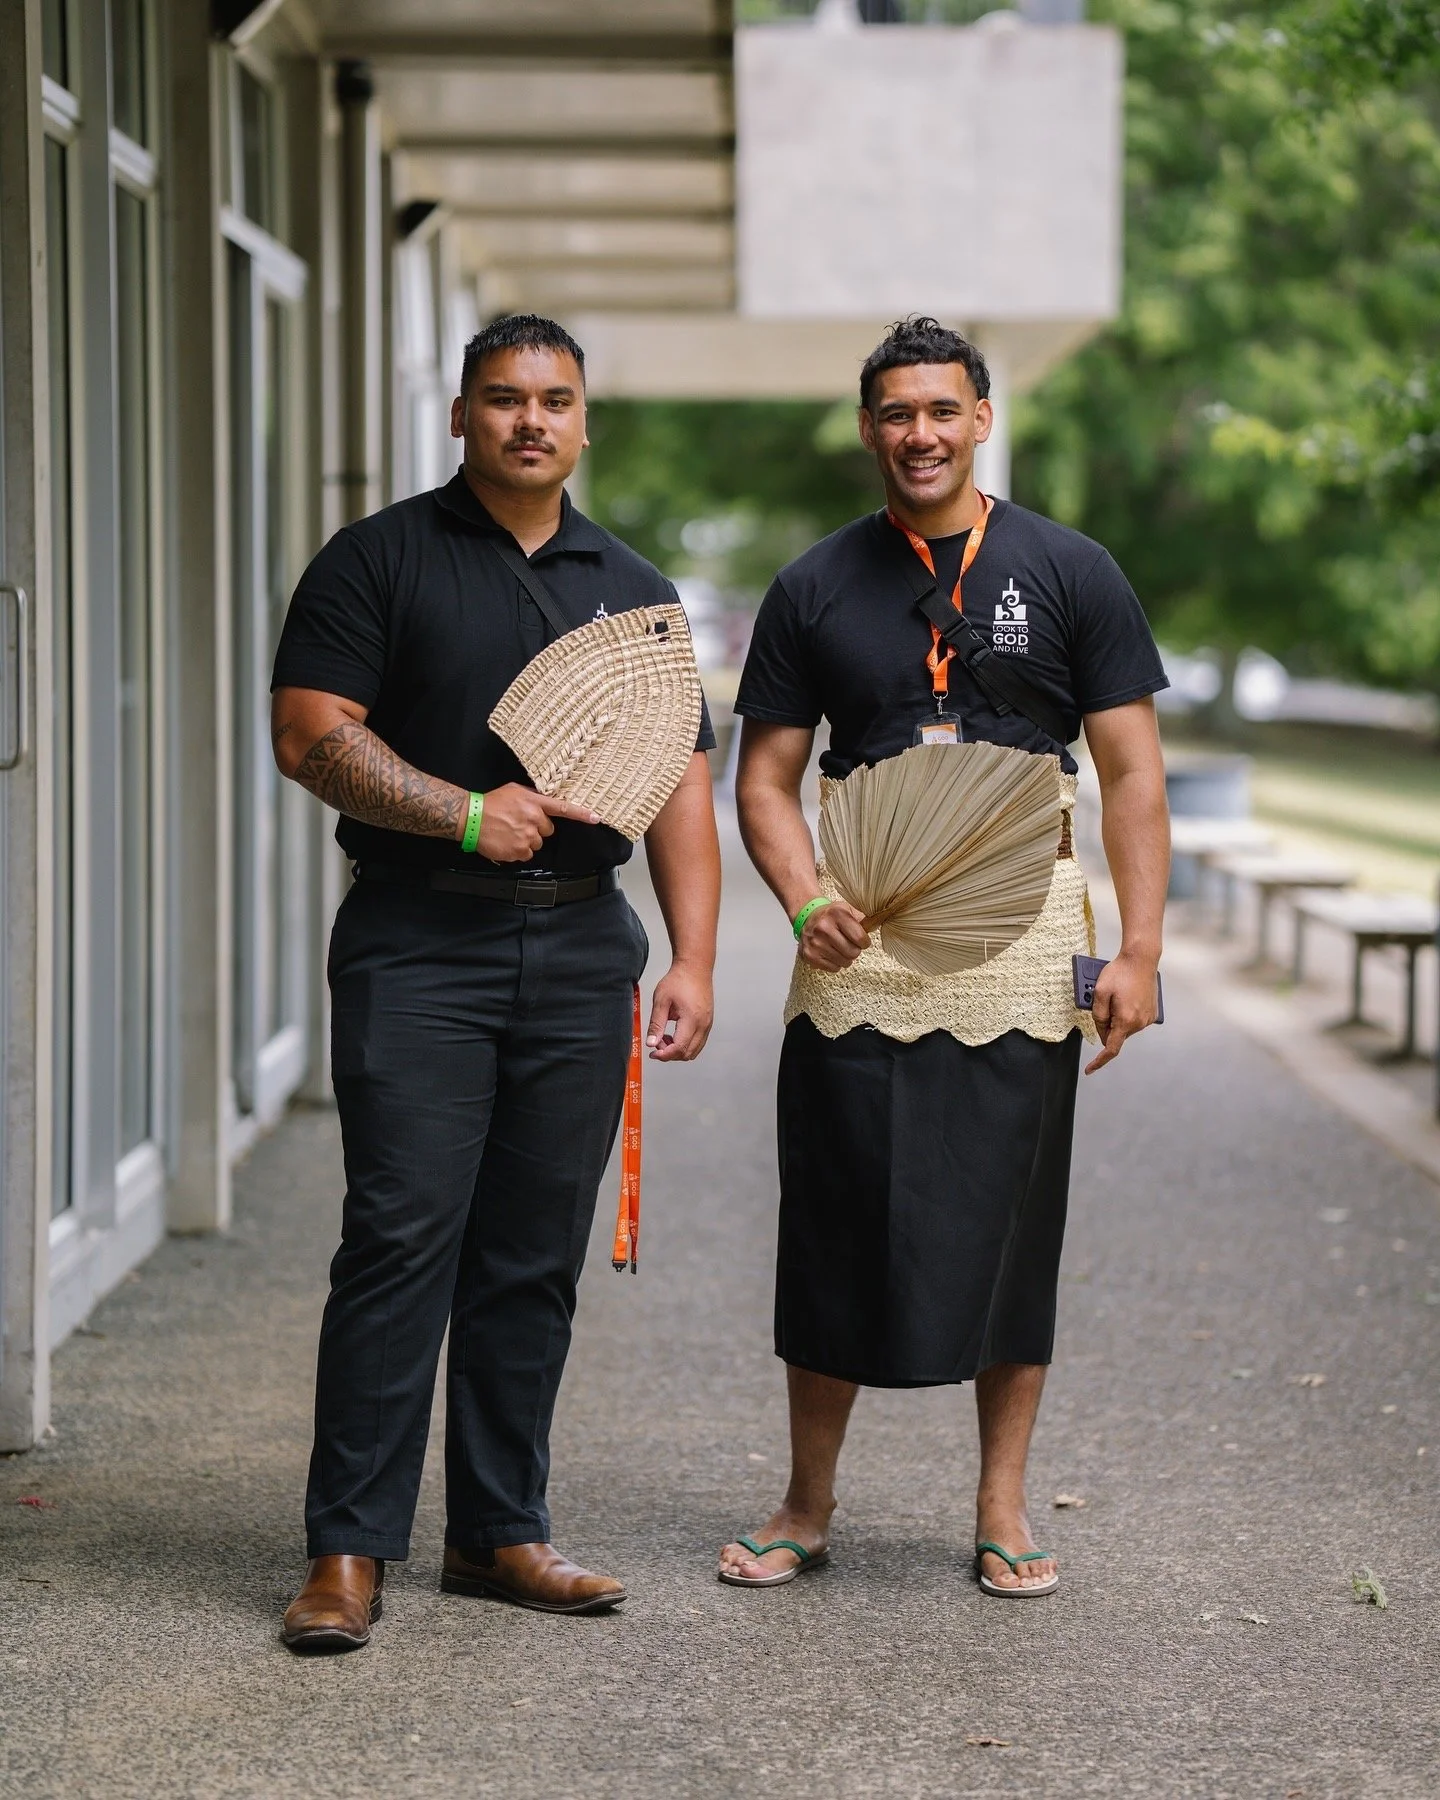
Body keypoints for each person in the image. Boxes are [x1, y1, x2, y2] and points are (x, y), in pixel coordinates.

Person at [271, 314, 721, 1650]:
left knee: (534, 1255)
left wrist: (694, 953)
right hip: (421, 940)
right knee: (400, 1238)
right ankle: (347, 1552)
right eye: (505, 397)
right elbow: (309, 735)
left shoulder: (631, 589)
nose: (532, 419)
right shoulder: (377, 560)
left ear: (586, 424)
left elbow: (679, 782)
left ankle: (500, 1532)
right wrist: (466, 814)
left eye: (556, 399)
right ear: (461, 415)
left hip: (585, 945)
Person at [720, 317, 1169, 1597]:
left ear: (980, 419)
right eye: (895, 414)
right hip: (857, 932)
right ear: (869, 429)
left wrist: (1138, 949)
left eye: (941, 411)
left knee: (1011, 1224)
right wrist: (806, 903)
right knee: (836, 1212)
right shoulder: (813, 584)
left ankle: (1003, 1503)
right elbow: (765, 780)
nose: (919, 434)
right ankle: (807, 1503)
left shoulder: (1072, 570)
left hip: (1027, 939)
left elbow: (1132, 774)